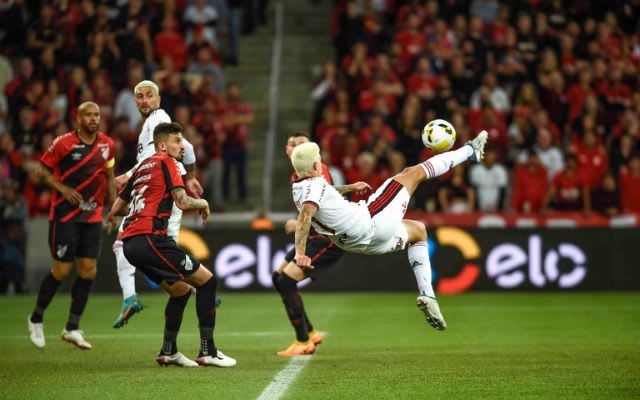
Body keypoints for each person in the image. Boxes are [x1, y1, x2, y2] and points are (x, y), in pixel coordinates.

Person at [289, 131, 489, 331]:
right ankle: (470, 151)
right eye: (319, 160)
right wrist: (300, 253)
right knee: (412, 173)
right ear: (316, 167)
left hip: (362, 245)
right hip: (371, 221)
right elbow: (305, 215)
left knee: (418, 231)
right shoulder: (313, 190)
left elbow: (323, 192)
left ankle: (428, 295)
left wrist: (350, 188)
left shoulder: (300, 186)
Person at [108, 122, 235, 367]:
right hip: (151, 239)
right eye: (177, 141)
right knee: (207, 282)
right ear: (162, 145)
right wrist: (203, 203)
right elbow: (182, 201)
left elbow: (117, 208)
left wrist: (139, 204)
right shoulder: (168, 163)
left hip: (131, 245)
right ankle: (208, 351)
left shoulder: (142, 166)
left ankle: (169, 351)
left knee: (181, 290)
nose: (182, 146)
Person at [111, 80, 203, 329]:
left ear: (158, 99)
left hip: (161, 190)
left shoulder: (158, 116)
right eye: (139, 97)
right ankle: (193, 288)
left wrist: (128, 176)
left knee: (148, 247)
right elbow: (189, 147)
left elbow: (154, 158)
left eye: (149, 95)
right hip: (153, 189)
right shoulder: (150, 124)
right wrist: (192, 177)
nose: (144, 101)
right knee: (133, 246)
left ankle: (199, 287)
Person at [28, 102, 116, 349]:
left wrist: (113, 209)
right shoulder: (63, 143)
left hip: (92, 216)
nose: (93, 118)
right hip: (65, 216)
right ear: (78, 118)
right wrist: (63, 189)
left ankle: (72, 328)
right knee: (62, 271)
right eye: (88, 115)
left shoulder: (107, 145)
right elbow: (42, 171)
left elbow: (109, 176)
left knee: (89, 270)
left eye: (96, 114)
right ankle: (36, 318)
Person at [272, 132, 346, 356]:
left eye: (301, 144)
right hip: (314, 235)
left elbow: (327, 203)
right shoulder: (296, 174)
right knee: (278, 278)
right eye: (292, 144)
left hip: (326, 238)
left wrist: (300, 222)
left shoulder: (317, 170)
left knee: (286, 282)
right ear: (287, 150)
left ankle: (303, 340)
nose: (296, 148)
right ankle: (311, 332)